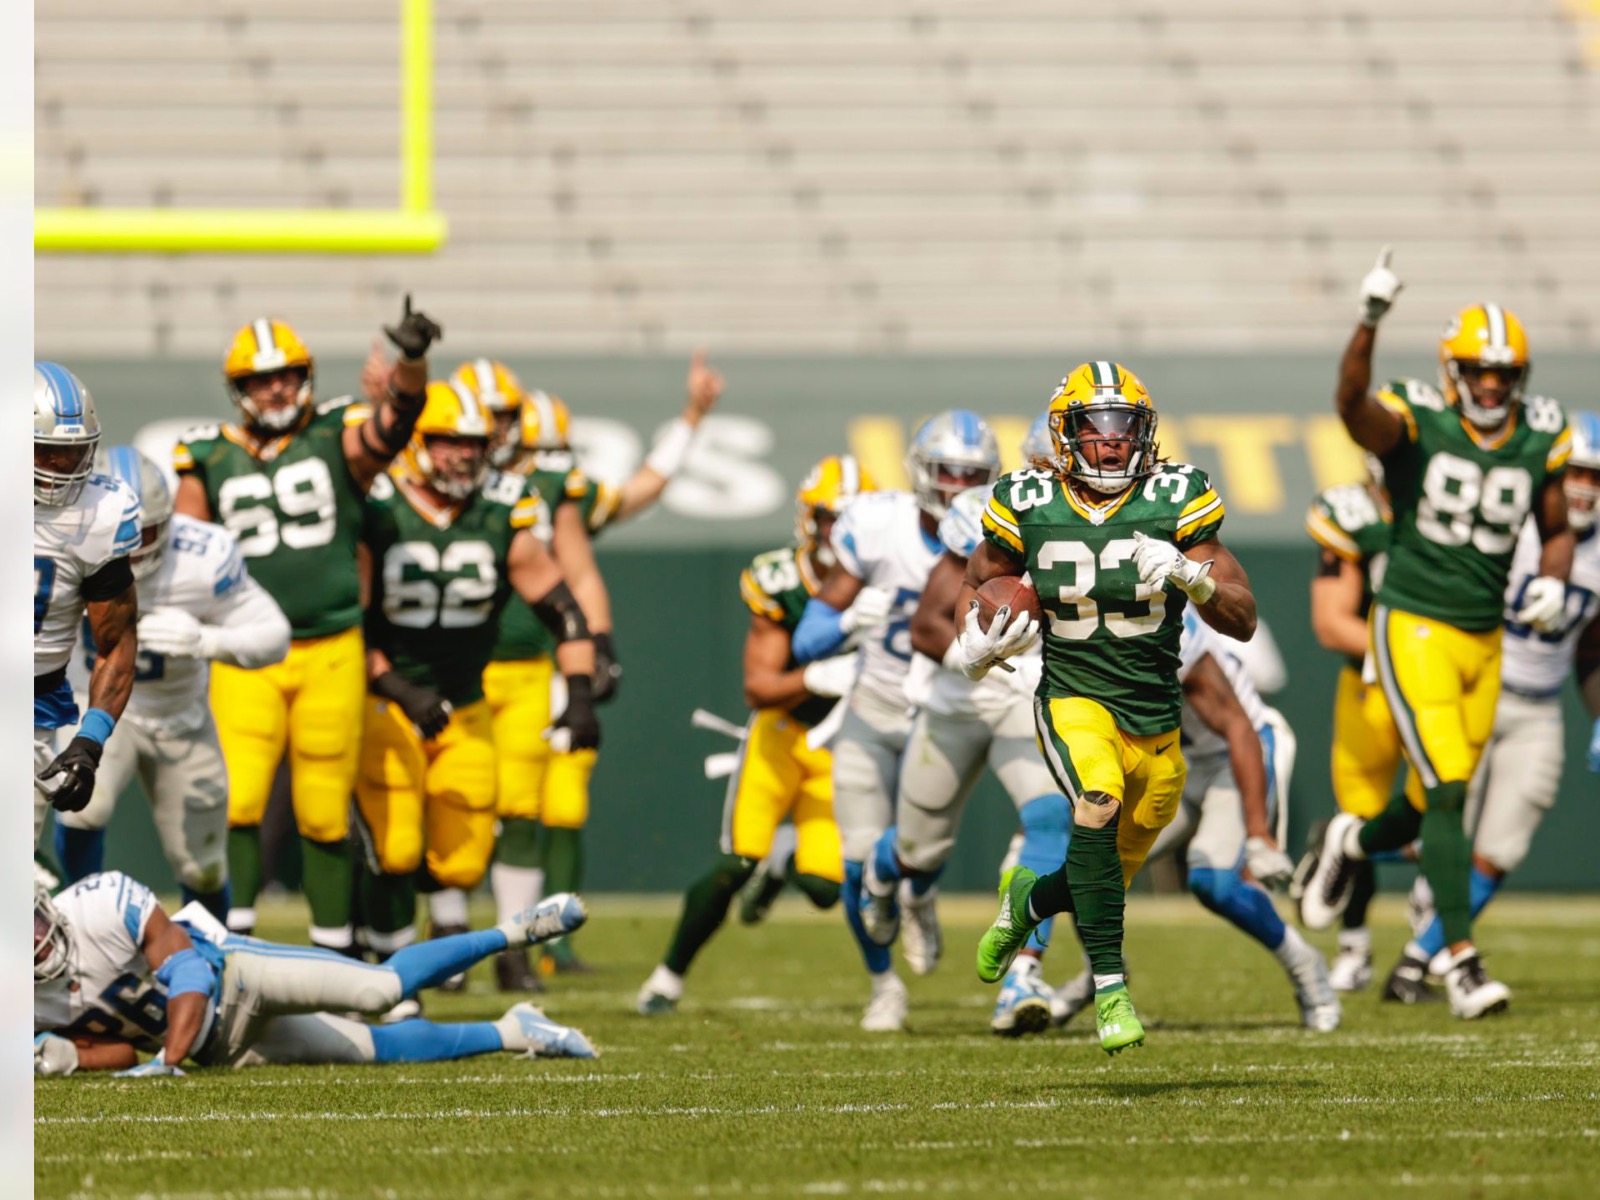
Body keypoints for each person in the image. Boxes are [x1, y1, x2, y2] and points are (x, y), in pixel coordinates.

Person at [1299, 251, 1574, 1019]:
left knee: (1427, 807)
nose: (1491, 386)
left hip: (1485, 640)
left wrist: (1553, 573)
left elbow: (1557, 524)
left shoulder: (1540, 434)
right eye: (1478, 372)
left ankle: (1351, 842)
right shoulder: (1421, 420)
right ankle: (1460, 962)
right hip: (1415, 623)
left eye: (1503, 374)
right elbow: (1352, 405)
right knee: (1453, 790)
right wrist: (1370, 320)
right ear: (1453, 371)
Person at [962, 360, 1258, 1055]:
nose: (1112, 442)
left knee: (1102, 876)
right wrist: (970, 642)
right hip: (1072, 698)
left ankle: (1027, 903)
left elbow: (1242, 617)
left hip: (1157, 720)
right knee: (1094, 800)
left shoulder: (1178, 497)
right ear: (1065, 438)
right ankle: (1111, 992)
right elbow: (979, 580)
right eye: (1094, 429)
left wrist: (1196, 580)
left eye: (1125, 427)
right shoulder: (1026, 499)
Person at [443, 353, 722, 988]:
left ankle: (519, 945)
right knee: (442, 808)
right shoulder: (418, 476)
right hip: (446, 663)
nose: (489, 430)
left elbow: (593, 551)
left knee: (525, 806)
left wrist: (596, 643)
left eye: (503, 417)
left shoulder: (544, 484)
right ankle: (442, 935)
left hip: (525, 662)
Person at [173, 300, 443, 953]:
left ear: (307, 376)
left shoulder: (334, 432)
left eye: (287, 374)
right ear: (239, 390)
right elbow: (183, 549)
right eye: (262, 379)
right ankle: (227, 949)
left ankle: (331, 952)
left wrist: (411, 363)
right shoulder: (207, 454)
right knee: (235, 801)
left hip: (331, 645)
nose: (276, 387)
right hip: (244, 652)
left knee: (324, 808)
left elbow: (394, 426)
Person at [355, 380, 600, 982]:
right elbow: (349, 626)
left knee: (462, 863)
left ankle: (409, 942)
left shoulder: (502, 510)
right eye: (445, 442)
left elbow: (562, 607)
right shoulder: (381, 509)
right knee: (396, 848)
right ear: (417, 443)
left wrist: (583, 692)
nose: (461, 454)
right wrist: (398, 688)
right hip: (388, 703)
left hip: (464, 704)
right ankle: (376, 965)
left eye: (471, 443)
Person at [636, 456, 871, 1014]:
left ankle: (785, 864)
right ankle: (668, 976)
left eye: (853, 519)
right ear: (809, 520)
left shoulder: (888, 579)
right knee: (734, 865)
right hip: (781, 734)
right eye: (832, 518)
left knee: (823, 890)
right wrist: (814, 674)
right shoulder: (780, 580)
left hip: (840, 744)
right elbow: (759, 688)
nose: (841, 533)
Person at [1379, 410, 1600, 1001]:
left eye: (1596, 477)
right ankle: (1353, 845)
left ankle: (1417, 959)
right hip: (1476, 683)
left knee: (1502, 848)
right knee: (1433, 815)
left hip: (1539, 707)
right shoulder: (1514, 524)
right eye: (1576, 471)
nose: (1583, 487)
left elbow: (1591, 649)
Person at [793, 412, 1002, 1031]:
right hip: (871, 708)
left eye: (973, 475)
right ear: (920, 472)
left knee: (918, 854)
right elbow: (806, 640)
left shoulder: (1002, 535)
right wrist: (849, 623)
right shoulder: (877, 527)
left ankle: (919, 893)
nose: (959, 487)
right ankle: (884, 984)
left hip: (936, 715)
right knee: (857, 862)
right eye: (948, 472)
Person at [1049, 608, 1334, 1031]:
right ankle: (1106, 972)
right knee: (1087, 863)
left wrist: (1258, 833)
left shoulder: (1170, 634)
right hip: (1173, 759)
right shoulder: (1093, 624)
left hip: (1231, 757)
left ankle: (1304, 964)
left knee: (1213, 881)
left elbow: (1240, 728)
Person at [853, 484, 1068, 1035]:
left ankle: (1022, 974)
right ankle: (891, 881)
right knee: (915, 851)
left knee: (1051, 818)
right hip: (955, 701)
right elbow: (927, 624)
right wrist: (972, 652)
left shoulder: (1086, 520)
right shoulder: (988, 513)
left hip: (1023, 698)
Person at [33, 871, 595, 1075]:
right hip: (220, 1050)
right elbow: (119, 1053)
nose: (34, 940)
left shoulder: (99, 903)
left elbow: (189, 977)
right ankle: (514, 1030)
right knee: (378, 1050)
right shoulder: (23, 1004)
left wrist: (169, 1062)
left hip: (235, 974)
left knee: (381, 988)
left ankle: (515, 931)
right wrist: (68, 1057)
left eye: (30, 920)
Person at [52, 448, 291, 922]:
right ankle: (84, 928)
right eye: (119, 534)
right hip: (95, 704)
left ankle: (207, 963)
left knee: (201, 867)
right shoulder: (59, 542)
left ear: (168, 522)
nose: (132, 548)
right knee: (80, 809)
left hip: (180, 716)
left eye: (142, 533)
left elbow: (275, 637)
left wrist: (207, 640)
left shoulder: (204, 555)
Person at [1298, 458, 1400, 991]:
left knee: (1452, 804)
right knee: (1360, 813)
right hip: (1373, 680)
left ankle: (1435, 944)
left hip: (1448, 680)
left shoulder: (1460, 506)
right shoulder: (1353, 511)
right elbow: (1331, 621)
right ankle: (1355, 946)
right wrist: (1414, 650)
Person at [33, 363, 140, 843]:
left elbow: (117, 642)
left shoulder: (99, 512)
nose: (64, 468)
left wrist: (90, 739)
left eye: (74, 453)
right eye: (49, 453)